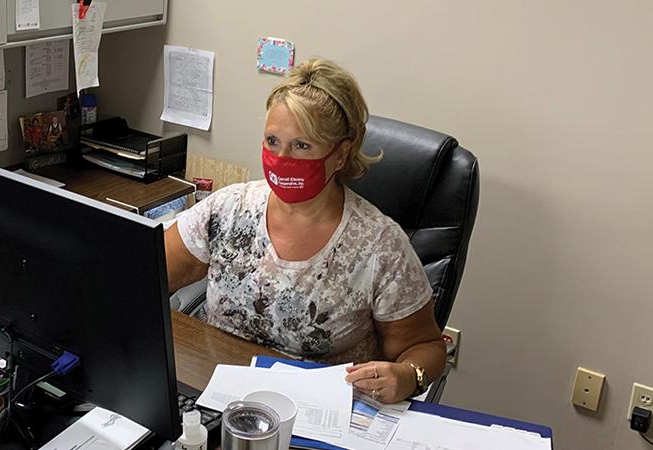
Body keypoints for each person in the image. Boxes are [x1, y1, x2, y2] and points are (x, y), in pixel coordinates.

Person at [164, 58, 445, 403]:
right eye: (272, 141)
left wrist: (408, 376)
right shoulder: (227, 209)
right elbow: (147, 275)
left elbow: (427, 348)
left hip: (315, 415)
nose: (282, 158)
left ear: (340, 154)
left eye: (301, 145)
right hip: (214, 393)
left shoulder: (379, 245)